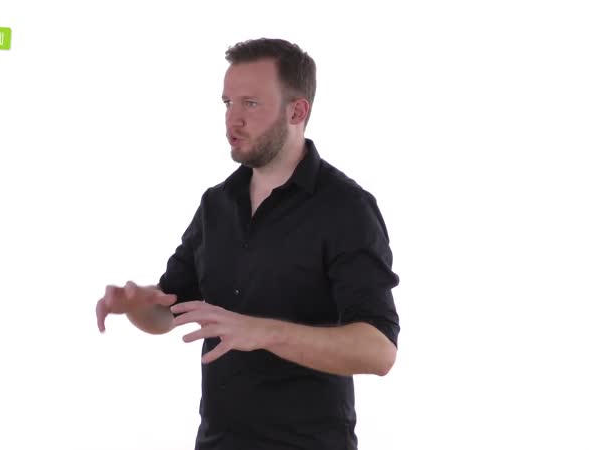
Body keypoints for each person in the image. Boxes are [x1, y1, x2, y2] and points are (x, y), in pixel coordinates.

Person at [95, 37, 400, 450]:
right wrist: (137, 306)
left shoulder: (346, 208)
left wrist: (261, 331)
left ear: (297, 111)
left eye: (250, 104)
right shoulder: (216, 204)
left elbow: (378, 351)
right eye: (227, 103)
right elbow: (168, 314)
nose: (232, 120)